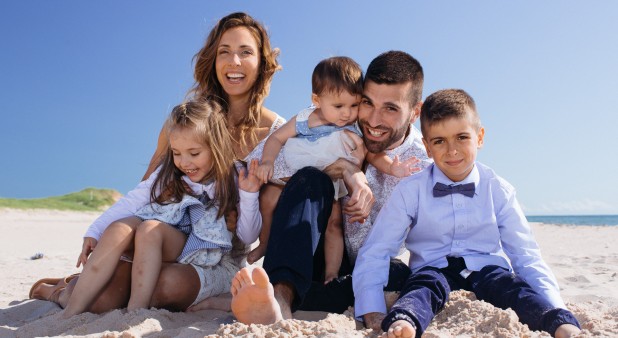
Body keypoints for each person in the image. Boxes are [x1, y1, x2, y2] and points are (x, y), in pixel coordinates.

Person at [29, 11, 283, 313]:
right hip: (162, 235)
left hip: (215, 251)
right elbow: (149, 190)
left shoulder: (277, 134)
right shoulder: (186, 123)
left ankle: (115, 292)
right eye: (224, 52)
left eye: (246, 52)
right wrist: (107, 233)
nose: (234, 62)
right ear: (212, 61)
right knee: (101, 299)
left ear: (262, 63)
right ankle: (61, 290)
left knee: (162, 286)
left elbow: (263, 209)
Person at [352, 89, 581, 338]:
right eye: (439, 141)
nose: (452, 150)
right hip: (433, 267)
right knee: (421, 290)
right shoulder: (411, 190)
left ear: (479, 137)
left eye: (462, 137)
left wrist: (555, 304)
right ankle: (405, 322)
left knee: (514, 289)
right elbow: (377, 249)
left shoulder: (498, 189)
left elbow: (525, 255)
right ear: (427, 147)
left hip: (488, 269)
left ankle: (558, 323)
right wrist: (372, 307)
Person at [229, 51, 432, 324]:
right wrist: (337, 169)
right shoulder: (331, 120)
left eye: (390, 108)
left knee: (398, 275)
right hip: (305, 246)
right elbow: (262, 166)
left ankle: (280, 296)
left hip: (356, 268)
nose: (372, 119)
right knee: (311, 178)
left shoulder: (420, 166)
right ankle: (279, 297)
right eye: (367, 103)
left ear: (415, 112)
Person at [249, 56, 420, 273]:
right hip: (300, 183)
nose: (347, 113)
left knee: (335, 223)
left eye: (354, 105)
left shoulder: (356, 128)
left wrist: (392, 168)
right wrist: (267, 162)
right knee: (269, 197)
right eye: (339, 106)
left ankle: (332, 275)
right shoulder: (306, 118)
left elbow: (372, 156)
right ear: (317, 100)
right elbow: (275, 140)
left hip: (333, 190)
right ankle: (264, 244)